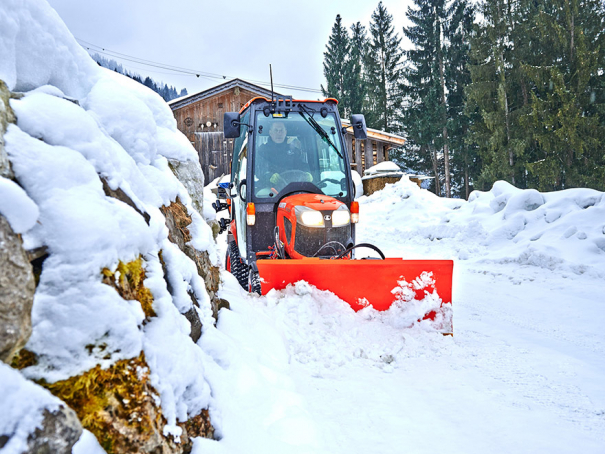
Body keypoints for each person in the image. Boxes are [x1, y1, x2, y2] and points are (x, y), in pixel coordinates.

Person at [256, 121, 312, 192]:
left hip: (293, 187)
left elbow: (301, 164)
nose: (279, 133)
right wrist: (269, 177)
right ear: (270, 133)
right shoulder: (263, 150)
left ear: (285, 132)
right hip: (270, 188)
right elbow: (259, 169)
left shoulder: (293, 150)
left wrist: (307, 172)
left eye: (281, 130)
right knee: (262, 193)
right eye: (276, 130)